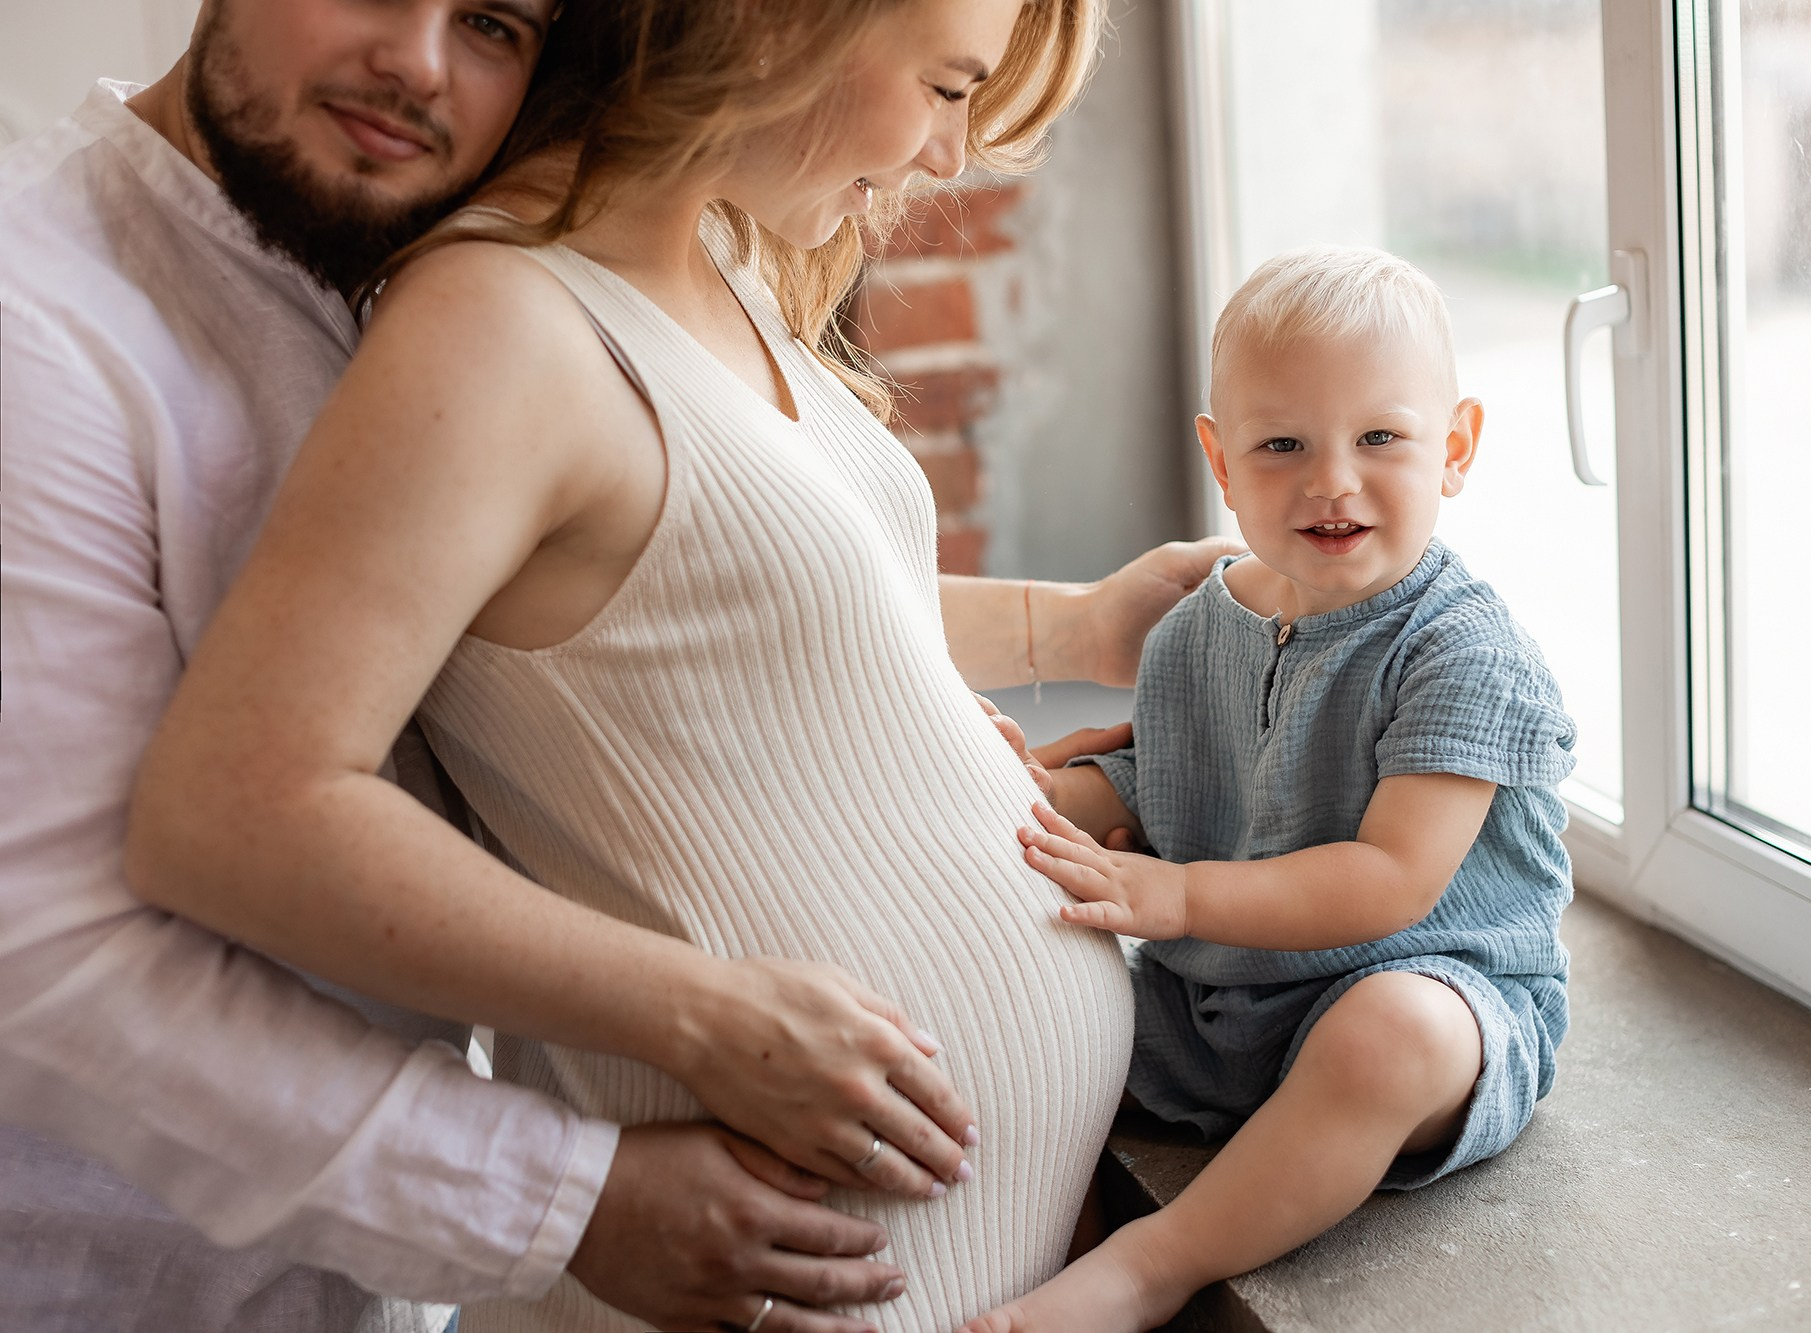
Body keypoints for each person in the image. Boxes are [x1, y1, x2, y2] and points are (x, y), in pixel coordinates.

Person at [0, 0, 1223, 1328]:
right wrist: (611, 1143)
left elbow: (711, 593)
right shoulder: (66, 329)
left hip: (433, 1270)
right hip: (138, 1274)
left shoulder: (639, 252)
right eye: (944, 88)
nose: (417, 63)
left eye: (492, 21)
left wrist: (994, 676)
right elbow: (79, 938)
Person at [962, 247, 1578, 1332]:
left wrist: (1179, 897)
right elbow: (1167, 772)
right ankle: (1021, 1248)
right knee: (1020, 985)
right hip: (1218, 1003)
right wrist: (1046, 801)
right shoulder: (1199, 624)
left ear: (1456, 448)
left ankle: (1156, 1262)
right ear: (1221, 461)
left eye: (1379, 437)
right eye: (1281, 443)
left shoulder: (1462, 653)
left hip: (1422, 984)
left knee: (1388, 1036)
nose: (1330, 479)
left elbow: (1390, 878)